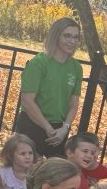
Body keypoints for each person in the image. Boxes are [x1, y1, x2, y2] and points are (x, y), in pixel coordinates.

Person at [14, 17, 82, 158]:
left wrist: (65, 128)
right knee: (26, 169)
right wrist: (47, 127)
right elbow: (27, 101)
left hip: (59, 130)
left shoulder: (76, 67)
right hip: (32, 124)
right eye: (67, 36)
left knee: (57, 170)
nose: (72, 41)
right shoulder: (38, 63)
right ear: (56, 36)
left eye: (76, 37)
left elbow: (74, 103)